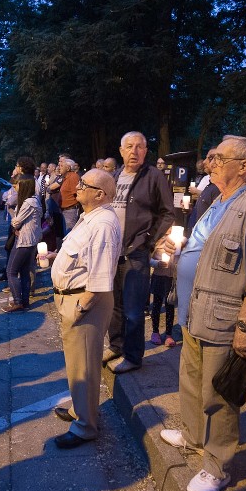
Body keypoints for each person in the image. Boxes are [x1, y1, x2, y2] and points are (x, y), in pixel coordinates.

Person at [157, 136, 246, 491]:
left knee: (219, 395)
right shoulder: (219, 200)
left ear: (244, 166)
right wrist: (175, 248)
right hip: (195, 311)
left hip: (224, 318)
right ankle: (193, 436)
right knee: (191, 380)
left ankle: (217, 466)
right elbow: (204, 246)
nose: (211, 163)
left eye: (219, 158)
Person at [40, 169, 121, 449]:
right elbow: (81, 255)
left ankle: (86, 426)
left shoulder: (103, 224)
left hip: (84, 303)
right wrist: (55, 256)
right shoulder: (91, 217)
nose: (77, 188)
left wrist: (79, 308)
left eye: (84, 185)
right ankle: (79, 409)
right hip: (73, 299)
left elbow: (99, 277)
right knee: (77, 362)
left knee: (85, 364)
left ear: (100, 194)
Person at [105, 132, 174, 374]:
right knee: (114, 304)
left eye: (140, 147)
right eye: (129, 147)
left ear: (146, 151)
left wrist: (149, 240)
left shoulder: (153, 176)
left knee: (134, 309)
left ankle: (133, 356)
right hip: (112, 251)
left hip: (136, 252)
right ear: (121, 151)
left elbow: (168, 212)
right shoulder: (114, 176)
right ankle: (116, 345)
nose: (134, 151)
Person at [3, 177, 42, 313]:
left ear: (24, 186)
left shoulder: (28, 203)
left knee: (11, 271)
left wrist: (13, 217)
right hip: (31, 240)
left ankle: (17, 302)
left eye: (17, 185)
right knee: (24, 272)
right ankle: (25, 302)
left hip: (24, 240)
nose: (15, 187)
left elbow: (16, 222)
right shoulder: (35, 200)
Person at [59, 159, 81, 232]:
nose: (59, 168)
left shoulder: (73, 177)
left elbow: (77, 194)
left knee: (69, 234)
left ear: (68, 168)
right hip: (66, 211)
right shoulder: (65, 178)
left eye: (61, 166)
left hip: (71, 211)